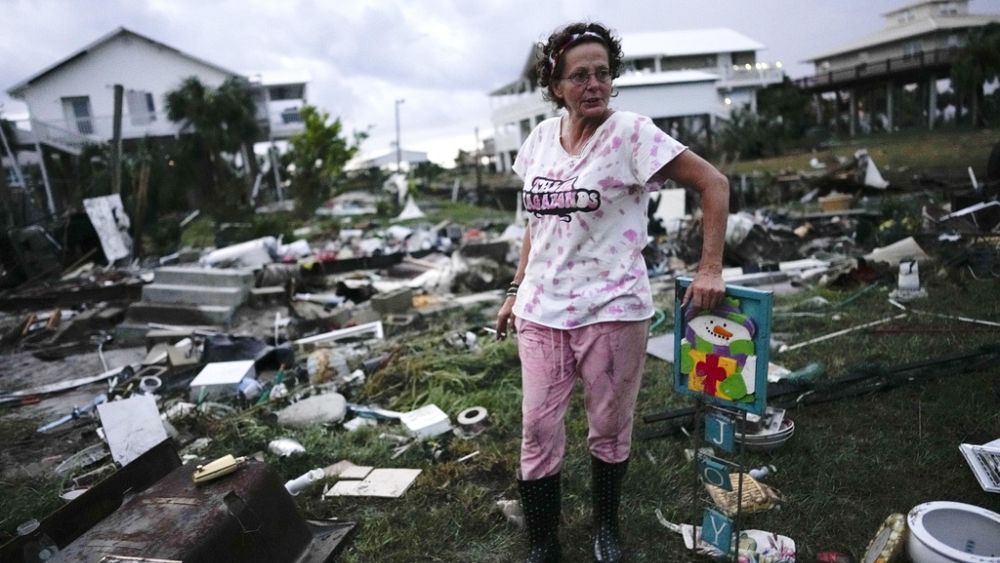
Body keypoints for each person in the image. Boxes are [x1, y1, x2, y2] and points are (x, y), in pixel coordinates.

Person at [494, 21, 729, 563]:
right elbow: (537, 222)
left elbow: (713, 183)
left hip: (613, 309)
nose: (594, 84)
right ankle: (543, 542)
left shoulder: (631, 133)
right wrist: (514, 288)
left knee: (608, 428)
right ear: (554, 84)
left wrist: (709, 267)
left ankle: (606, 529)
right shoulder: (536, 142)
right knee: (537, 429)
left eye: (602, 73)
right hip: (542, 311)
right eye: (579, 75)